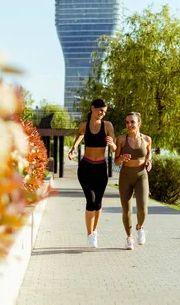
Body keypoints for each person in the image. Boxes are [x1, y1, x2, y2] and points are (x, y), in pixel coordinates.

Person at [68, 99, 116, 248]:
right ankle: (89, 234)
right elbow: (80, 134)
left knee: (98, 203)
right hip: (86, 167)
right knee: (90, 200)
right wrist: (74, 147)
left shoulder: (107, 126)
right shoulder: (84, 125)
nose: (102, 113)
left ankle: (95, 231)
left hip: (101, 168)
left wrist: (112, 144)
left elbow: (114, 149)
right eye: (100, 110)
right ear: (92, 108)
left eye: (104, 112)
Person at [114, 112, 152, 250]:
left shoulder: (147, 139)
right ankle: (129, 238)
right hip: (125, 176)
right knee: (127, 210)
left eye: (132, 122)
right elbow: (116, 161)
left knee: (142, 208)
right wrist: (122, 158)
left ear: (139, 123)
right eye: (127, 122)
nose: (129, 125)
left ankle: (140, 227)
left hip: (141, 175)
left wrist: (149, 161)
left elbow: (148, 152)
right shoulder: (121, 139)